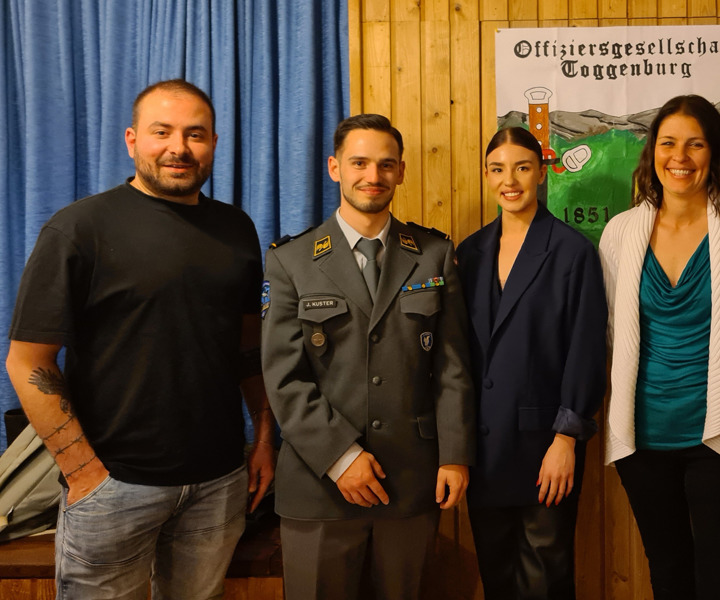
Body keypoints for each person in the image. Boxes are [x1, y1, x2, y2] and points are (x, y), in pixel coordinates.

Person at [5, 79, 276, 599]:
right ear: (132, 140)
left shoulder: (236, 229)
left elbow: (248, 348)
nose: (179, 147)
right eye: (162, 132)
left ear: (214, 143)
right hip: (113, 487)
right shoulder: (79, 229)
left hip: (218, 483)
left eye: (195, 134)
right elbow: (27, 360)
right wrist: (83, 473)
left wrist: (263, 441)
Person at [260, 113, 474, 600]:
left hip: (411, 478)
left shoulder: (433, 253)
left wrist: (456, 455)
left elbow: (453, 365)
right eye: (359, 163)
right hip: (318, 486)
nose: (372, 177)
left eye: (385, 164)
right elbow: (284, 377)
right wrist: (340, 456)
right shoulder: (291, 261)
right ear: (335, 168)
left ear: (401, 171)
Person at [598, 95, 720, 599]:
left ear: (716, 153)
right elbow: (607, 334)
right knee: (667, 572)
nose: (679, 156)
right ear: (652, 152)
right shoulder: (621, 232)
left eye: (695, 143)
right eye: (667, 143)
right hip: (643, 436)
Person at [455, 127, 607, 600]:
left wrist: (567, 438)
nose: (510, 180)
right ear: (486, 176)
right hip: (484, 450)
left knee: (546, 580)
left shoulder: (572, 251)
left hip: (547, 448)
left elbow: (586, 350)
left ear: (541, 172)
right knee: (498, 579)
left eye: (522, 167)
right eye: (498, 169)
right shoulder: (469, 253)